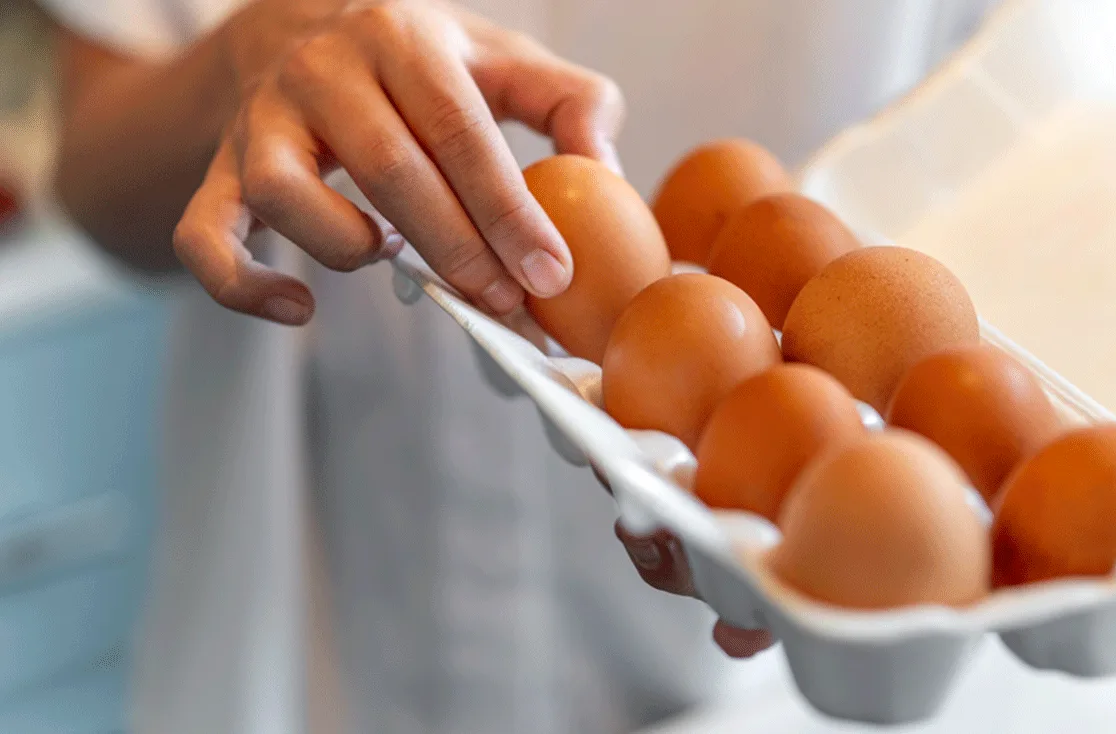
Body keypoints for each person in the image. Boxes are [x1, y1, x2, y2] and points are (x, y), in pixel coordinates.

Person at [38, 0, 997, 732]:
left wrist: (868, 493)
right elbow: (88, 170)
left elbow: (1049, 132)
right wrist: (241, 63)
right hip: (312, 642)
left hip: (752, 687)